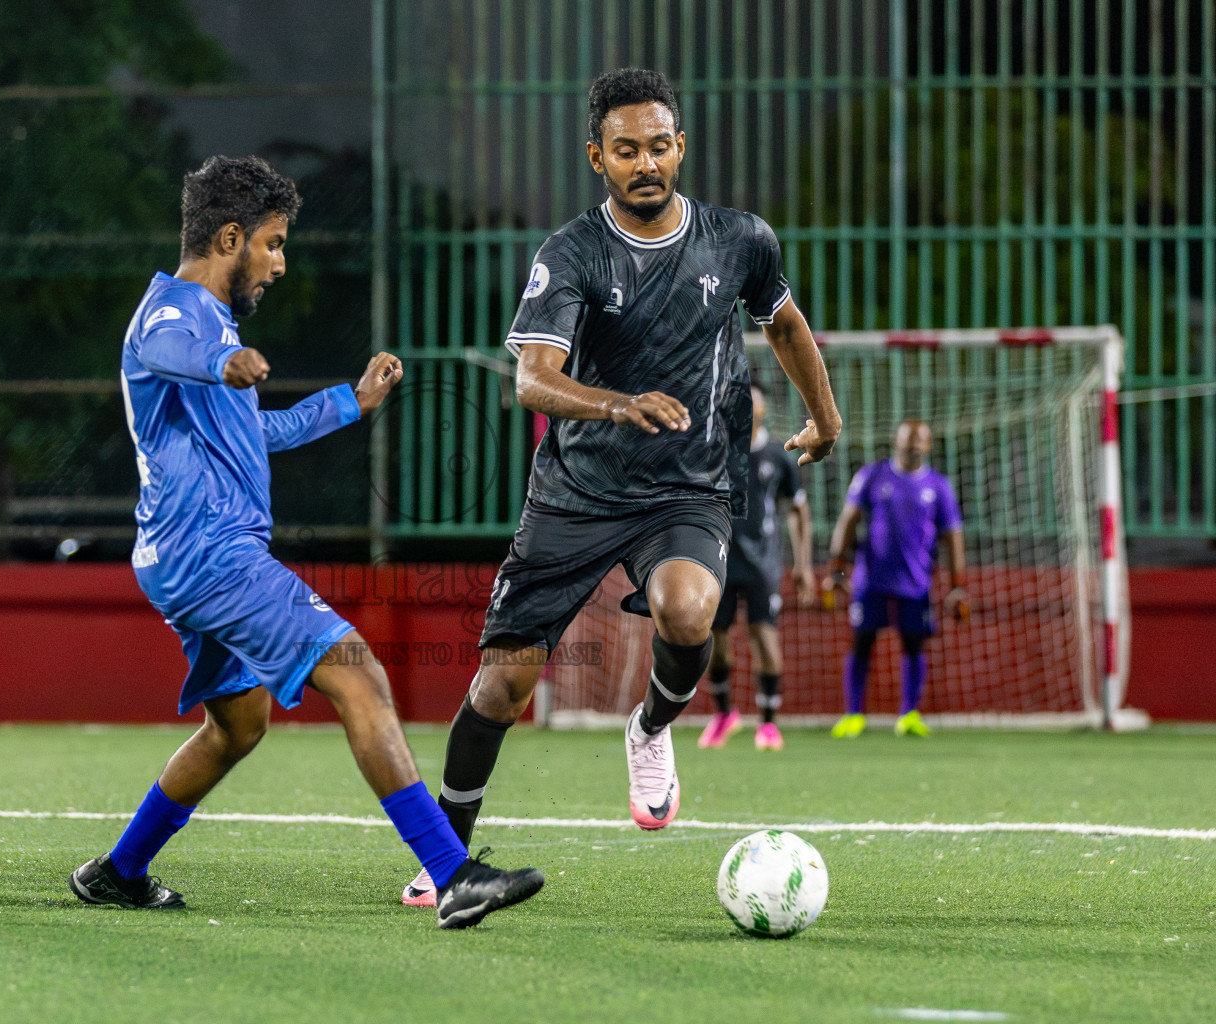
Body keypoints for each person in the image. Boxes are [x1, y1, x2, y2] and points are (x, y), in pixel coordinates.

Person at [402, 68, 841, 906]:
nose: (646, 163)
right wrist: (617, 405)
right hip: (575, 491)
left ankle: (650, 729)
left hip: (689, 483)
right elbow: (533, 379)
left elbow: (782, 322)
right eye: (627, 149)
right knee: (502, 685)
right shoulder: (570, 254)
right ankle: (444, 857)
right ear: (597, 156)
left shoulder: (740, 239)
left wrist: (827, 419)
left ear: (682, 147)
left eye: (660, 146)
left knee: (689, 609)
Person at [68, 156, 542, 930]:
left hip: (182, 559)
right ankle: (452, 872)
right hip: (214, 556)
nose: (281, 263)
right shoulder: (175, 314)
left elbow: (258, 433)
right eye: (274, 243)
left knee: (238, 726)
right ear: (230, 236)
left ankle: (119, 872)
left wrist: (348, 404)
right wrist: (221, 360)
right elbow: (163, 350)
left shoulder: (208, 323)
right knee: (361, 677)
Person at [823, 419, 967, 738]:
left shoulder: (938, 487)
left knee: (914, 646)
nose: (913, 445)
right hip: (870, 582)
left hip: (915, 584)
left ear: (928, 445)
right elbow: (848, 520)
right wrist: (836, 566)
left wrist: (959, 586)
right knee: (861, 643)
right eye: (908, 440)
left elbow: (953, 536)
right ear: (896, 442)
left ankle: (909, 714)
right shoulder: (873, 476)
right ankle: (854, 714)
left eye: (920, 440)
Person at [699, 377, 816, 752]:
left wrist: (803, 565)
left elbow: (798, 511)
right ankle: (724, 715)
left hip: (763, 563)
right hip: (721, 559)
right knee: (717, 641)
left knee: (764, 638)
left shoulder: (780, 456)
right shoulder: (717, 450)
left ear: (765, 409)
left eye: (756, 401)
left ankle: (767, 725)